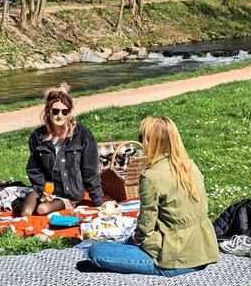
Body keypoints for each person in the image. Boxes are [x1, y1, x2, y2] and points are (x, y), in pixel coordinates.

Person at [84, 116, 219, 276]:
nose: (141, 142)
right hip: (205, 249)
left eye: (142, 138)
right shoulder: (189, 165)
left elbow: (145, 226)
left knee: (96, 251)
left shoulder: (151, 176)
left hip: (175, 259)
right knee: (125, 243)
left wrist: (136, 238)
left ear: (153, 142)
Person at [18, 82, 104, 217]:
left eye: (65, 111)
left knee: (42, 210)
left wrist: (99, 202)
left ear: (70, 112)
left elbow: (90, 170)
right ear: (48, 111)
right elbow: (34, 169)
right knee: (26, 212)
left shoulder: (81, 134)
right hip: (46, 188)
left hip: (69, 192)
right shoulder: (38, 136)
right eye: (55, 111)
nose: (60, 115)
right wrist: (43, 190)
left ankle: (64, 203)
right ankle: (18, 204)